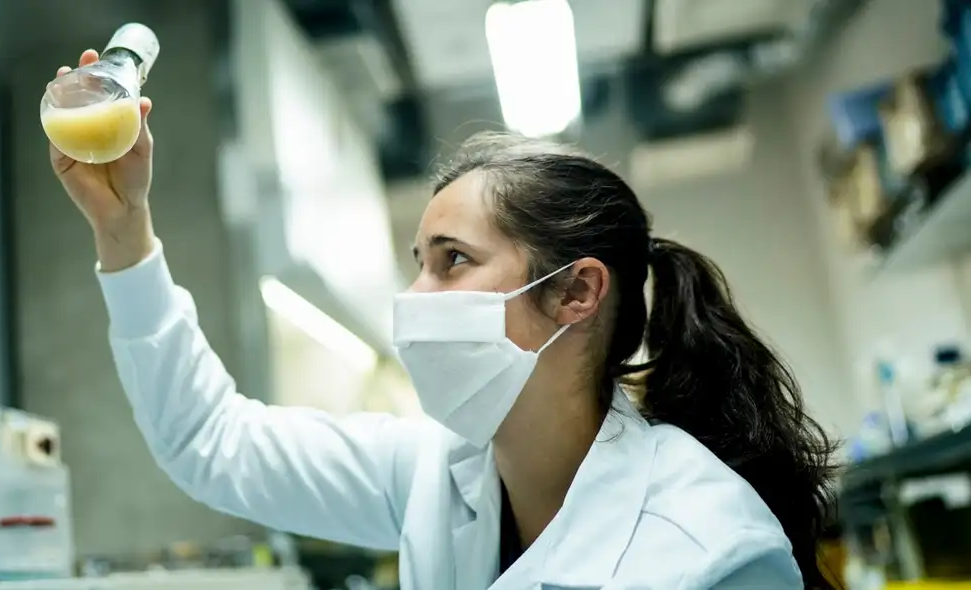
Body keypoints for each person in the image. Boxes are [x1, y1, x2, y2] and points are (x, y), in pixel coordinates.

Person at [52, 50, 837, 589]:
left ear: (576, 293)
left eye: (452, 260)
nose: (417, 297)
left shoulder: (709, 547)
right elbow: (210, 443)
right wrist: (125, 233)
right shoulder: (437, 471)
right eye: (418, 262)